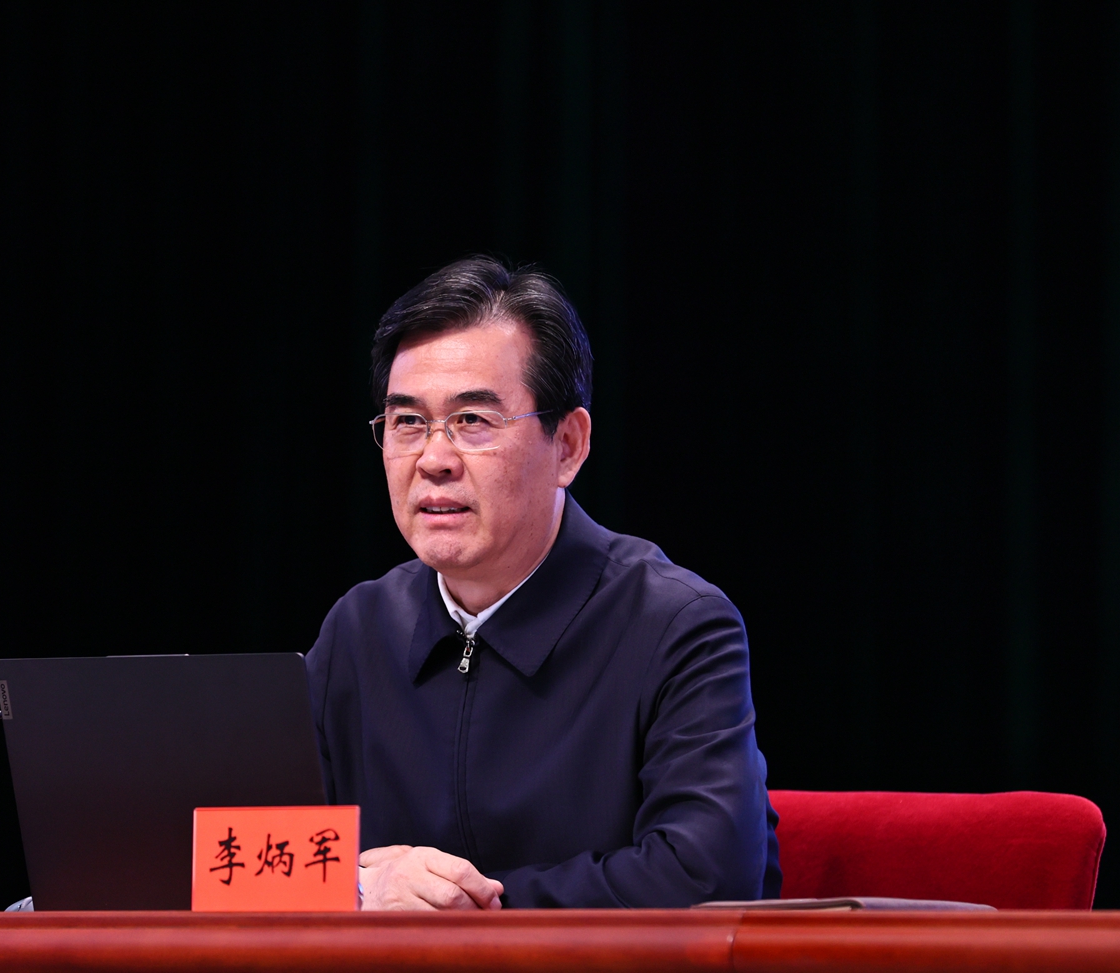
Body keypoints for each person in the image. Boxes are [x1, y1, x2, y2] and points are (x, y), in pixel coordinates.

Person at [305, 256, 780, 910]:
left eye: (473, 420)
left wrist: (467, 910)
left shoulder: (677, 625)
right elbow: (257, 857)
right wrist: (361, 886)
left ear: (569, 446)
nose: (433, 459)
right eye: (407, 422)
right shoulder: (358, 629)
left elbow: (708, 877)